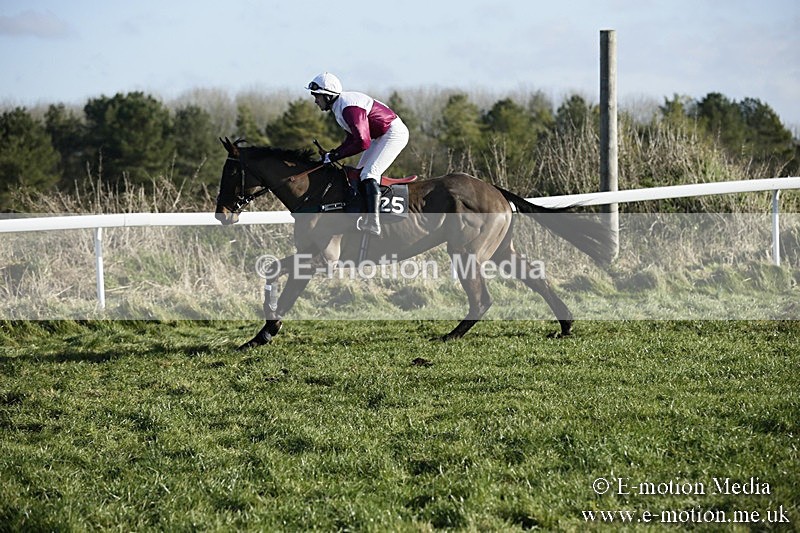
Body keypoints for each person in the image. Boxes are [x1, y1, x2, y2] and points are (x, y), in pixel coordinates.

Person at [306, 72, 409, 236]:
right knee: (358, 174)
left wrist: (334, 156)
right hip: (378, 136)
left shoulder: (349, 108)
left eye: (317, 96)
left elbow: (362, 142)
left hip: (392, 134)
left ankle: (373, 223)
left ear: (328, 95)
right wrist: (332, 154)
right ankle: (362, 215)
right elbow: (352, 139)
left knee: (369, 174)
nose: (316, 101)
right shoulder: (339, 108)